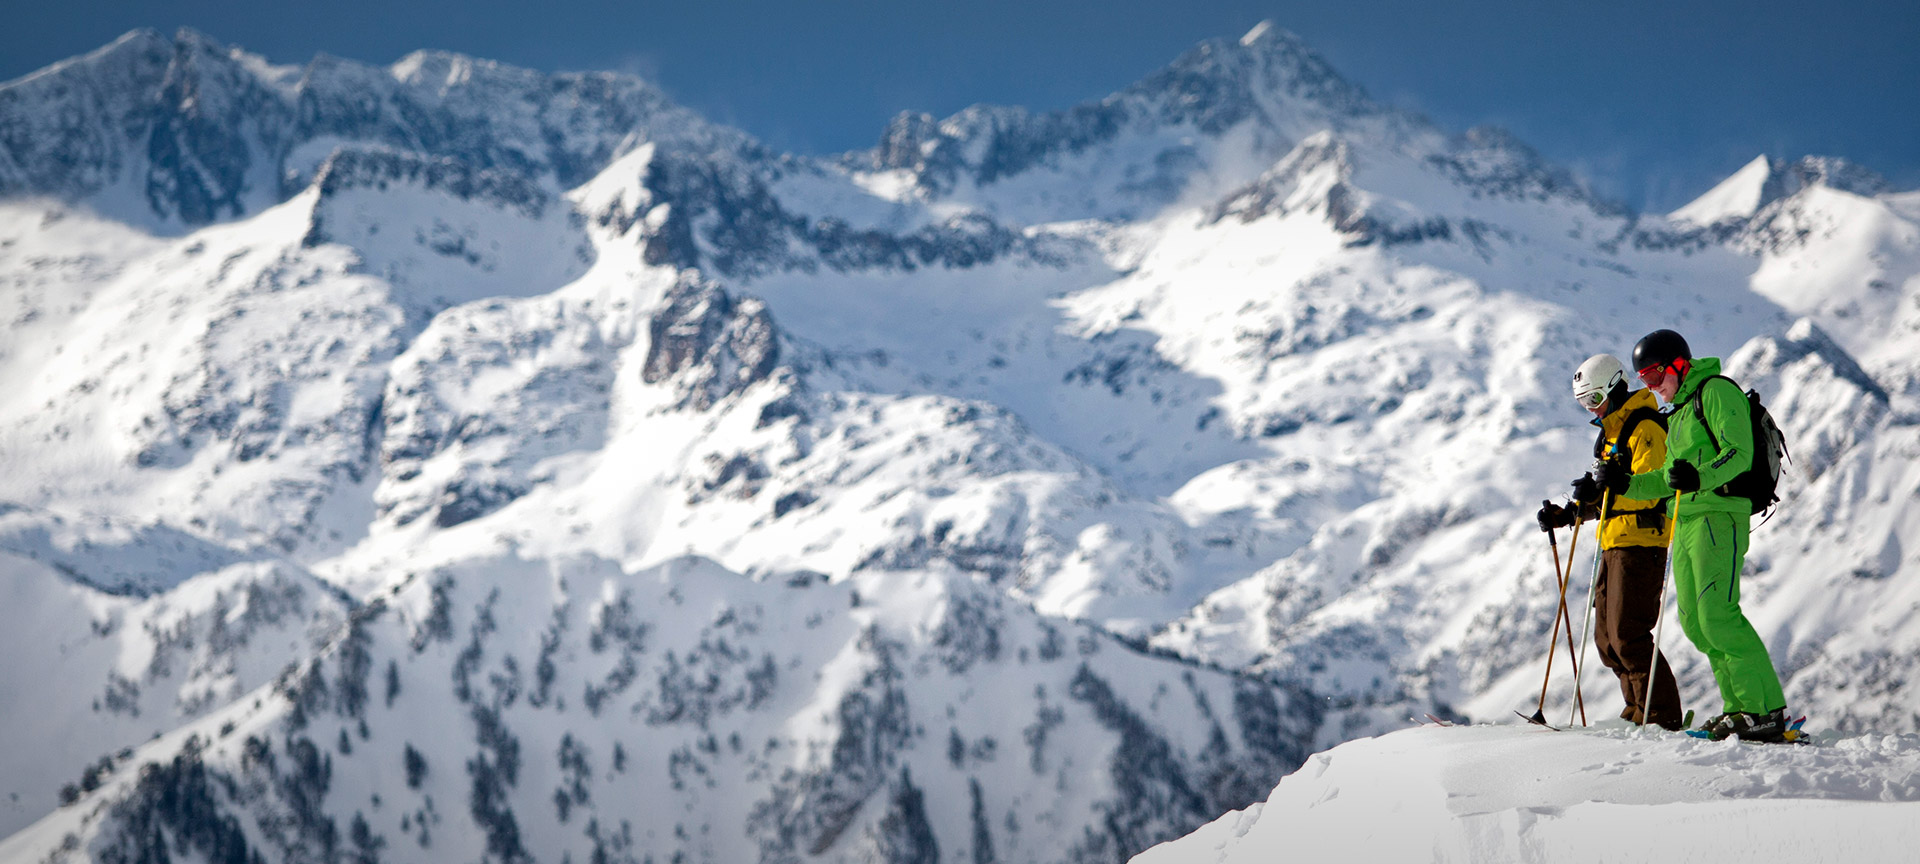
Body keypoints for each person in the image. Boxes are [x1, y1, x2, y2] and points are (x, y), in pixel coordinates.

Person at [1598, 329, 1789, 741]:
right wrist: (1624, 482)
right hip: (1684, 521)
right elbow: (1665, 481)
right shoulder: (1680, 414)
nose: (1651, 386)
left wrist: (1699, 475)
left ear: (1678, 365)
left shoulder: (1715, 392)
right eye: (1643, 379)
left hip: (1718, 517)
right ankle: (1739, 708)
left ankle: (1764, 710)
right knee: (1695, 623)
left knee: (1718, 614)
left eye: (1654, 375)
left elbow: (1740, 453)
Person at [1537, 354, 1684, 730]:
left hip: (1641, 542)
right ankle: (1637, 711)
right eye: (1584, 403)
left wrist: (1607, 488)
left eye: (1594, 400)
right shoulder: (1614, 433)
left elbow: (1651, 490)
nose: (1592, 410)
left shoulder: (1645, 428)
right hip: (1615, 541)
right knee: (1607, 640)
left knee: (1628, 634)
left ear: (1615, 388)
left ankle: (1659, 716)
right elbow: (1611, 491)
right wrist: (1570, 512)